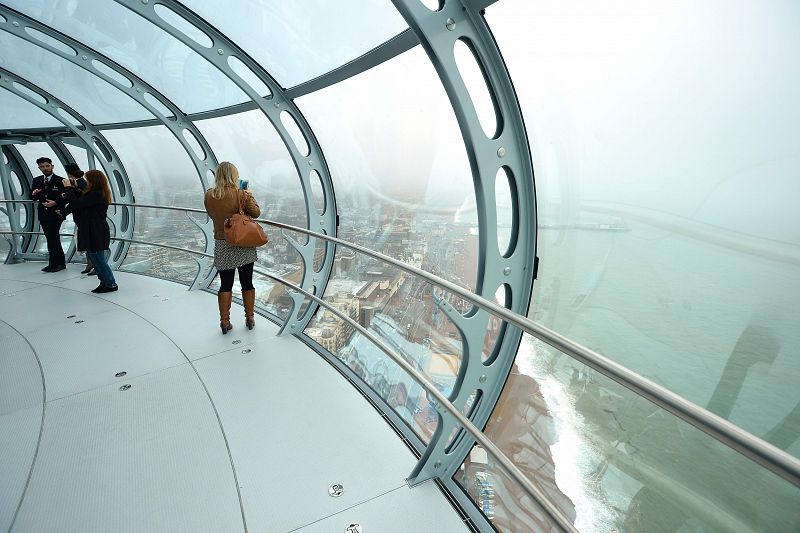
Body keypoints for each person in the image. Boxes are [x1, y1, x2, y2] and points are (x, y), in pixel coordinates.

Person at [204, 161, 260, 333]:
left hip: (222, 243)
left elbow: (214, 215)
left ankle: (224, 321)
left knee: (225, 284)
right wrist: (248, 194)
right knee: (247, 282)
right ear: (234, 176)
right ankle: (249, 317)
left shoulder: (209, 196)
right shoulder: (241, 194)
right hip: (242, 242)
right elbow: (256, 212)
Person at [60, 170, 118, 293]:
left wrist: (68, 188)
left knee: (99, 260)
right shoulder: (96, 193)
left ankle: (110, 284)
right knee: (96, 258)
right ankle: (105, 282)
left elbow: (77, 203)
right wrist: (74, 187)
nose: (86, 182)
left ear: (94, 181)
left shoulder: (96, 194)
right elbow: (82, 199)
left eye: (88, 179)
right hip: (93, 229)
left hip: (96, 230)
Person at [30, 157, 67, 272]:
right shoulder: (37, 180)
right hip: (43, 214)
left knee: (53, 237)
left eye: (47, 166)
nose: (45, 168)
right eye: (42, 166)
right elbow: (32, 197)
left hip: (56, 213)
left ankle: (59, 263)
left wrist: (55, 203)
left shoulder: (61, 181)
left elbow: (67, 198)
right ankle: (54, 263)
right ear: (39, 168)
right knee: (50, 238)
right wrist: (33, 194)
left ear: (52, 166)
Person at [63, 163, 94, 276]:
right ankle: (90, 262)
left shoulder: (81, 184)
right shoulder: (79, 183)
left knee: (89, 241)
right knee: (87, 240)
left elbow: (75, 203)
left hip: (84, 217)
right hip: (81, 217)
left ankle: (93, 263)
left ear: (69, 173)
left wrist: (68, 189)